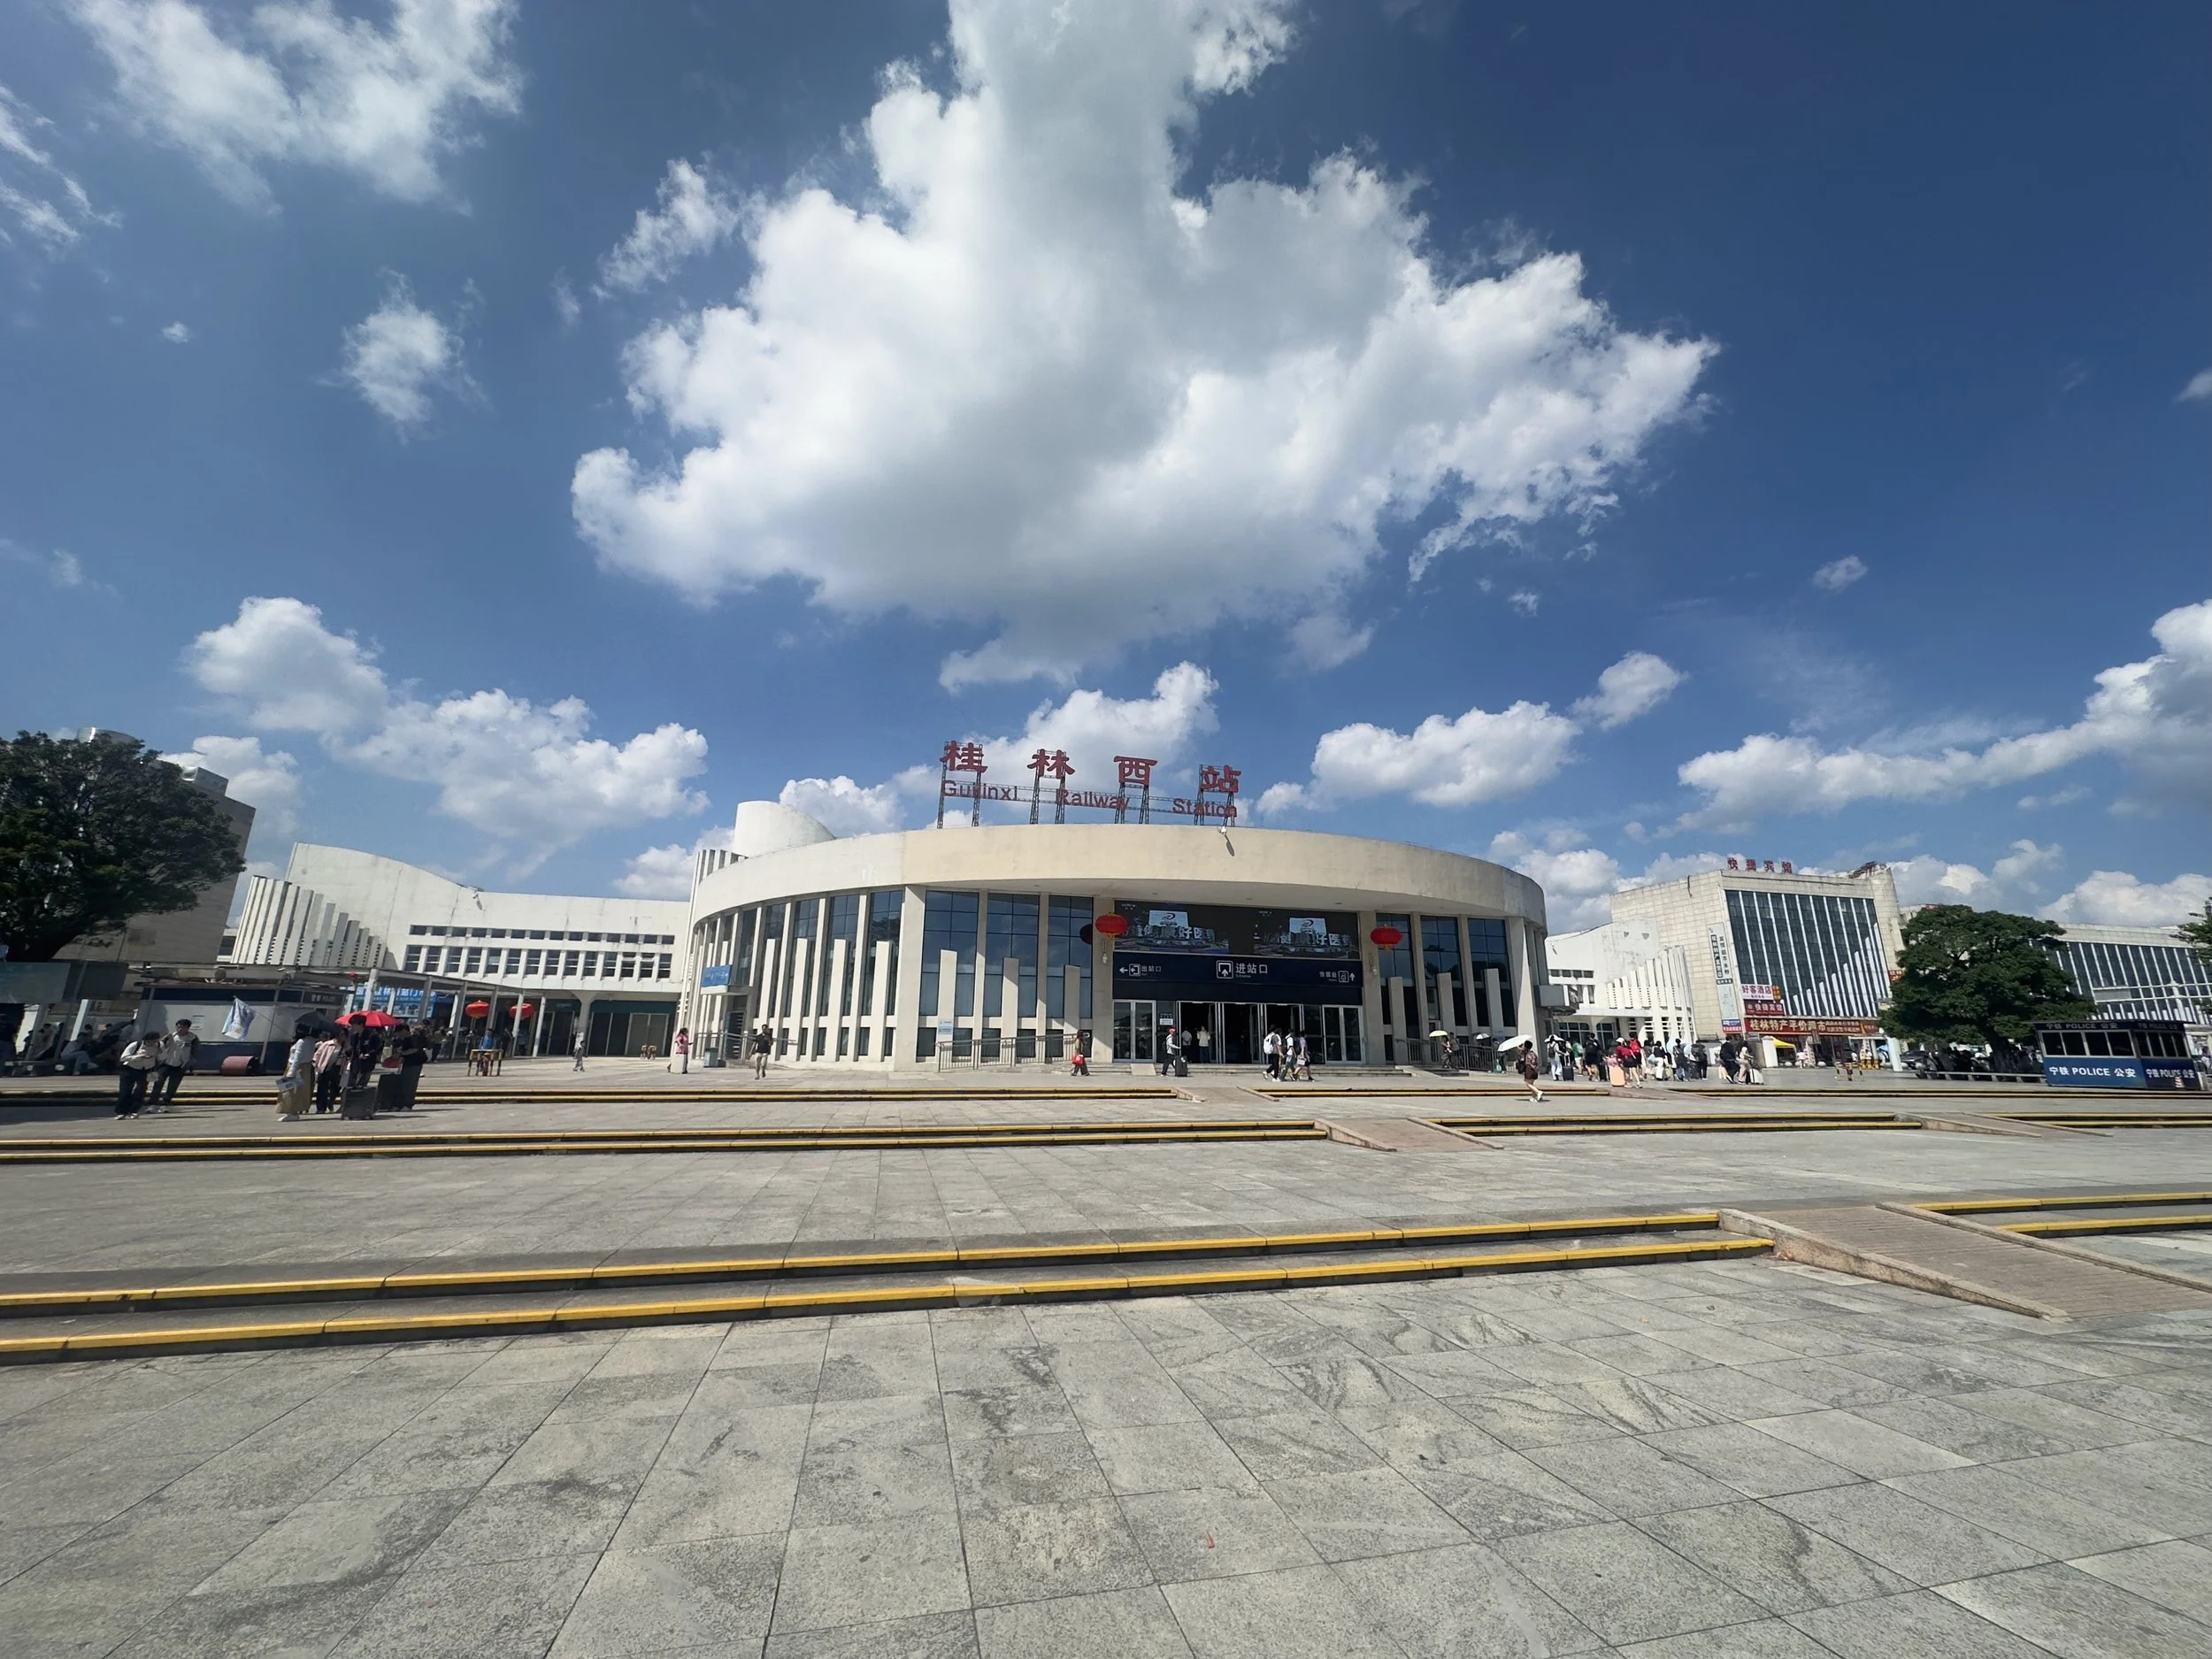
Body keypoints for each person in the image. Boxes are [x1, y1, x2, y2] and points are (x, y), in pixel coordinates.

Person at [149, 1018, 198, 1110]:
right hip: (165, 1064)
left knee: (173, 1086)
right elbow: (159, 1046)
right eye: (178, 1027)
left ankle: (166, 1102)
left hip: (180, 1066)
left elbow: (195, 1053)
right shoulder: (170, 1037)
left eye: (183, 1027)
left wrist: (188, 1064)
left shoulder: (193, 1039)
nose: (180, 1029)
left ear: (187, 1028)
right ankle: (153, 1103)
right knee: (158, 1083)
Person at [115, 1029, 160, 1116]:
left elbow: (162, 1057)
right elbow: (123, 1058)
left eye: (155, 1041)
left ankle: (133, 1110)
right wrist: (139, 1057)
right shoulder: (136, 1045)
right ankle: (121, 1111)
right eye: (152, 1041)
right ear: (147, 1039)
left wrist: (160, 1052)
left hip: (145, 1070)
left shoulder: (157, 1047)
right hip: (130, 1069)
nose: (153, 1043)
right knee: (125, 1091)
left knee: (140, 1091)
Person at [279, 1025, 311, 1120]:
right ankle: (294, 1111)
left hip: (295, 1067)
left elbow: (297, 1058)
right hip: (305, 1068)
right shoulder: (310, 1041)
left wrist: (291, 1072)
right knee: (298, 1091)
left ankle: (291, 1112)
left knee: (290, 1091)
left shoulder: (301, 1042)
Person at [312, 1030, 345, 1113]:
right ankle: (321, 1108)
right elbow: (317, 1054)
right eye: (341, 1035)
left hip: (337, 1069)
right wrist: (315, 1064)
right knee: (322, 1088)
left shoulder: (346, 1046)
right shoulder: (327, 1044)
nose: (342, 1037)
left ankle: (331, 1102)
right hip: (325, 1067)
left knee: (335, 1087)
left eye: (344, 1035)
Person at [1518, 1039, 1547, 1103]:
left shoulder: (1526, 1054)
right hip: (1535, 1070)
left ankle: (1538, 1092)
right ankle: (1534, 1097)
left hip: (1529, 1069)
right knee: (1531, 1084)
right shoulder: (1533, 1053)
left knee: (1528, 1084)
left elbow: (1521, 1053)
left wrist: (1519, 1047)